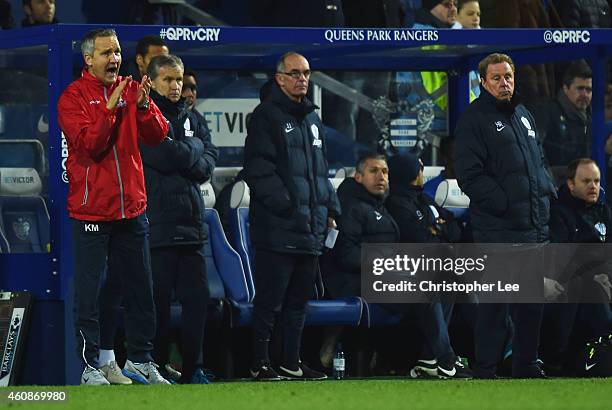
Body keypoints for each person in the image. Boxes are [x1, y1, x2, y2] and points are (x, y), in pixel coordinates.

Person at [57, 28, 170, 385]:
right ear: (89, 59)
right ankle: (91, 367)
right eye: (106, 53)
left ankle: (139, 359)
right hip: (92, 211)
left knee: (141, 289)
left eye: (117, 52)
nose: (114, 59)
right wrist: (109, 109)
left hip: (132, 209)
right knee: (89, 294)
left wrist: (144, 106)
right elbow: (90, 144)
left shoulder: (133, 89)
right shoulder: (72, 98)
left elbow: (159, 135)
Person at [454, 52, 556, 379]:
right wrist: (505, 203)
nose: (504, 83)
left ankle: (526, 364)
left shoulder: (523, 114)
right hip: (498, 230)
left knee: (531, 306)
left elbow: (537, 162)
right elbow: (470, 175)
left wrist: (544, 193)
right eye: (496, 78)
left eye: (508, 77)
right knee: (495, 306)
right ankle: (486, 368)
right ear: (482, 82)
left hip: (532, 227)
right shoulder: (474, 119)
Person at [243, 51, 339, 381]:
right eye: (295, 73)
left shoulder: (313, 120)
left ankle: (290, 362)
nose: (302, 79)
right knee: (270, 302)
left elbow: (321, 171)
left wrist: (331, 208)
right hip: (278, 228)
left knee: (299, 302)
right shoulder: (265, 117)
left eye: (307, 73)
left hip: (310, 227)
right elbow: (258, 170)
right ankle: (259, 363)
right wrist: (288, 206)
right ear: (280, 78)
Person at [140, 54, 218, 384]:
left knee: (197, 300)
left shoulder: (192, 117)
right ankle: (155, 364)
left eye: (179, 81)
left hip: (192, 224)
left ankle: (194, 366)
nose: (176, 87)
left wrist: (191, 150)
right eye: (168, 80)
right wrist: (194, 148)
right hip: (158, 223)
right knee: (156, 302)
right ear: (152, 81)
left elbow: (209, 163)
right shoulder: (143, 115)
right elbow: (166, 156)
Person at [541, 159, 612, 374]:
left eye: (597, 181)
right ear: (571, 184)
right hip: (570, 286)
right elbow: (563, 261)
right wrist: (597, 273)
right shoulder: (559, 213)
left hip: (602, 279)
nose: (593, 186)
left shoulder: (604, 210)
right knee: (588, 287)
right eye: (587, 181)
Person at [533, 61, 592, 181]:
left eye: (589, 90)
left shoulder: (592, 117)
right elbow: (536, 153)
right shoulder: (548, 113)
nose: (585, 94)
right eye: (580, 89)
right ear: (566, 88)